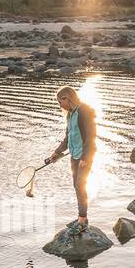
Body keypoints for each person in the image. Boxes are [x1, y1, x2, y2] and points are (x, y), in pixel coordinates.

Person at [44, 86, 97, 231]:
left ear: (67, 98)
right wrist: (56, 153)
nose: (60, 105)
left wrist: (85, 157)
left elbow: (91, 136)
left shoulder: (83, 111)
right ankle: (82, 216)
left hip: (85, 156)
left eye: (60, 102)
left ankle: (82, 219)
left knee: (80, 185)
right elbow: (68, 139)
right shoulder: (70, 115)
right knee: (77, 186)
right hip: (75, 156)